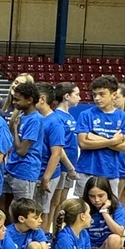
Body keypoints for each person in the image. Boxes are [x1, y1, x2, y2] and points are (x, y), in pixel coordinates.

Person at [75, 75, 125, 197]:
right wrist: (113, 141)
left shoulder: (124, 118)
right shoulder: (85, 115)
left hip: (110, 171)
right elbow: (83, 143)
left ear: (114, 94)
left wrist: (96, 138)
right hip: (86, 170)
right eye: (94, 94)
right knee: (83, 209)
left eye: (102, 94)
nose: (97, 98)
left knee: (109, 208)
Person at [1, 80, 43, 215]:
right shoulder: (22, 116)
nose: (14, 102)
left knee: (23, 211)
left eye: (17, 100)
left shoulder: (35, 120)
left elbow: (21, 150)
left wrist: (14, 129)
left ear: (29, 100)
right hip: (12, 169)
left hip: (25, 171)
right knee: (6, 207)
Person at [34, 83, 71, 223]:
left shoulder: (55, 123)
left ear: (42, 99)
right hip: (35, 171)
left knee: (42, 212)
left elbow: (56, 153)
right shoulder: (36, 118)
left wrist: (46, 178)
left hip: (45, 173)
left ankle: (43, 240)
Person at [49, 82, 80, 232]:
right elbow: (59, 148)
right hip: (62, 166)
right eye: (77, 94)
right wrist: (70, 167)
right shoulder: (58, 117)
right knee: (55, 201)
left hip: (69, 165)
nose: (80, 98)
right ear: (67, 96)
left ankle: (57, 230)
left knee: (61, 201)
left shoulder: (69, 116)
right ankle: (51, 232)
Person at [82, 175, 125, 249]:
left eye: (101, 196)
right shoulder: (82, 207)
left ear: (108, 194)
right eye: (92, 196)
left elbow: (119, 232)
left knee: (115, 239)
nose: (97, 200)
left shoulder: (117, 206)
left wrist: (104, 212)